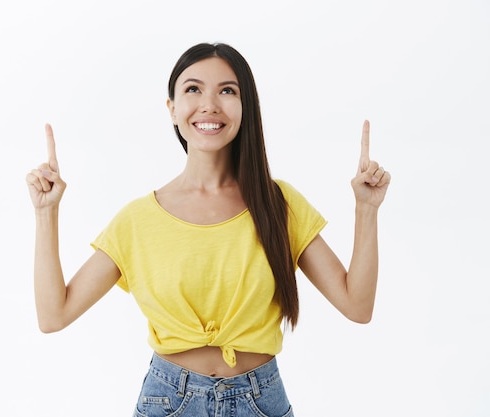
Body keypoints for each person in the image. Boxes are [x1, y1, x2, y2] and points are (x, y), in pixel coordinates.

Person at [26, 42, 391, 417]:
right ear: (172, 109)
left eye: (227, 91)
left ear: (245, 107)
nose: (209, 105)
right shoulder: (138, 220)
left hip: (260, 401)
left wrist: (367, 208)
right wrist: (45, 214)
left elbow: (357, 306)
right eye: (193, 89)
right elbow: (54, 315)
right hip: (167, 402)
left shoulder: (278, 204)